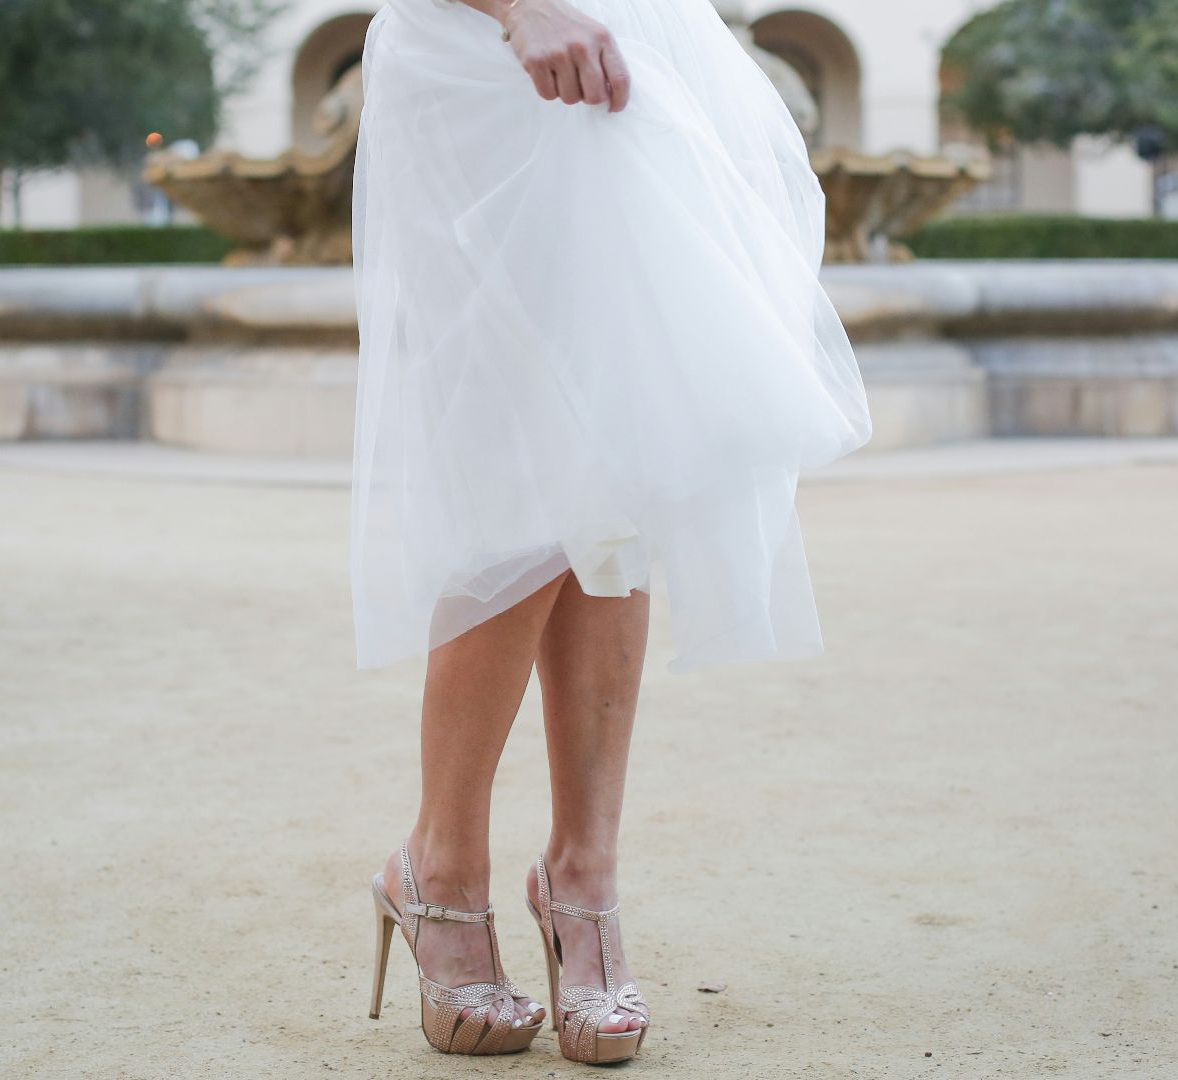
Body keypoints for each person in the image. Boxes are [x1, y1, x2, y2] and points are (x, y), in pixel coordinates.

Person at [354, 0, 870, 1062]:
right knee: (517, 471)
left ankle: (584, 876)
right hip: (485, 50)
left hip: (639, 39)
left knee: (625, 457)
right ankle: (441, 866)